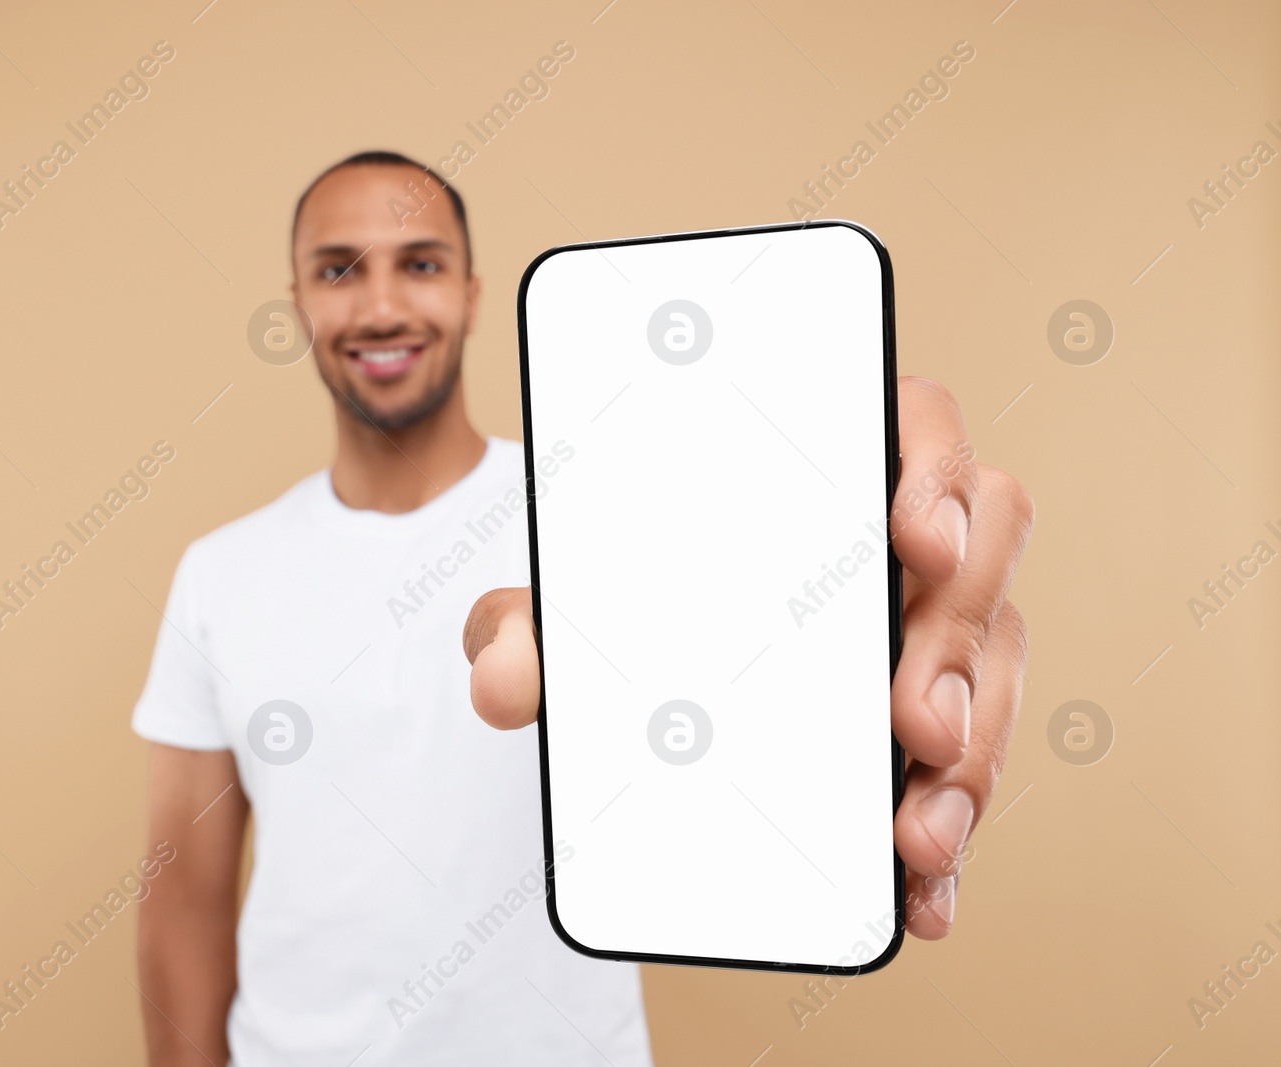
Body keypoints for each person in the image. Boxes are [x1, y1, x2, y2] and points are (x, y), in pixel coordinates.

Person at [132, 150, 1033, 1066]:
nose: (380, 306)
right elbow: (185, 898)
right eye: (338, 270)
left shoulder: (610, 507)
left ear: (474, 294)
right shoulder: (219, 572)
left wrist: (861, 565)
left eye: (421, 262)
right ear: (297, 302)